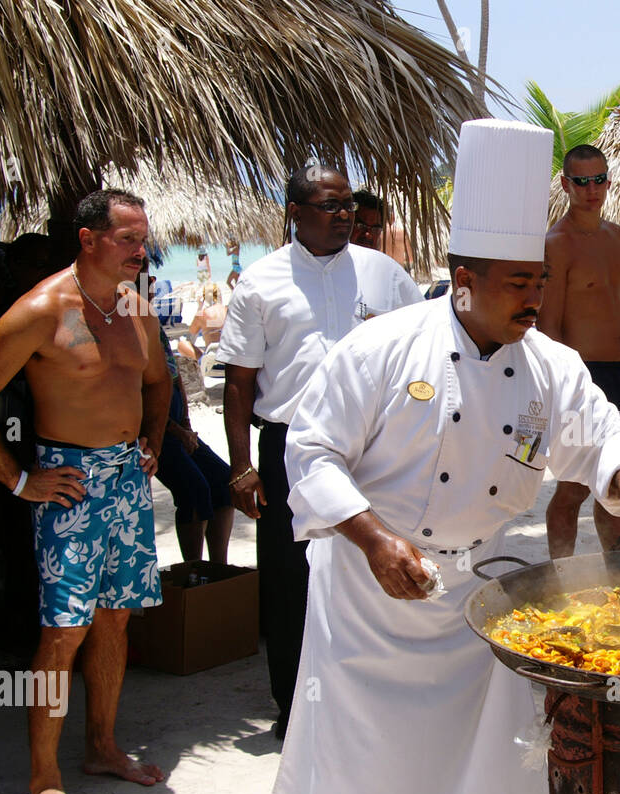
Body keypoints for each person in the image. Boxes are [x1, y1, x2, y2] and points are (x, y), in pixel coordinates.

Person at [272, 119, 620, 794]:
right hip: (365, 593)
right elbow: (313, 451)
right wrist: (374, 539)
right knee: (346, 773)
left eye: (539, 282)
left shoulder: (547, 363)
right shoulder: (384, 348)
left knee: (444, 772)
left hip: (464, 600)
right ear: (465, 280)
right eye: (518, 283)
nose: (534, 297)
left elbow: (605, 433)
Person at [0, 188, 171, 794]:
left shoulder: (137, 308)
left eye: (144, 240)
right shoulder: (42, 309)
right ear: (88, 240)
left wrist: (153, 445)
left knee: (114, 622)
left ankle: (103, 746)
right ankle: (44, 782)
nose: (143, 252)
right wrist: (20, 479)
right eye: (129, 240)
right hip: (69, 487)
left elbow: (159, 379)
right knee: (63, 631)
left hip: (127, 483)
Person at [214, 162, 422, 739]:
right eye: (330, 206)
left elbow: (425, 347)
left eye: (349, 206)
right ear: (295, 213)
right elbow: (239, 381)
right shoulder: (260, 282)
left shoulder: (384, 273)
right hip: (289, 446)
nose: (345, 216)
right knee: (289, 576)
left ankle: (374, 698)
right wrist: (241, 467)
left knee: (375, 565)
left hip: (377, 444)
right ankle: (295, 708)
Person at [539, 144, 620, 557]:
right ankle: (561, 576)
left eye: (600, 179)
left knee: (617, 481)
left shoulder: (616, 236)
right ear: (566, 185)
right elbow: (547, 324)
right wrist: (557, 387)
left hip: (618, 374)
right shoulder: (557, 243)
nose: (593, 190)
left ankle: (617, 573)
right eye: (583, 182)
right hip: (579, 377)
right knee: (572, 487)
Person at [147, 268, 235, 562]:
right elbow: (140, 396)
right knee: (194, 490)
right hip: (153, 432)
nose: (151, 282)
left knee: (223, 480)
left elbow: (174, 379)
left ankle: (218, 567)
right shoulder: (127, 327)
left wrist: (186, 424)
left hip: (175, 426)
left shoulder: (152, 326)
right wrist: (176, 429)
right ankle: (194, 570)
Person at [176, 281, 225, 362]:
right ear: (220, 296)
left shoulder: (202, 314)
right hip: (230, 357)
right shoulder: (229, 311)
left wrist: (200, 307)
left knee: (182, 344)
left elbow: (191, 334)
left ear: (204, 298)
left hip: (211, 358)